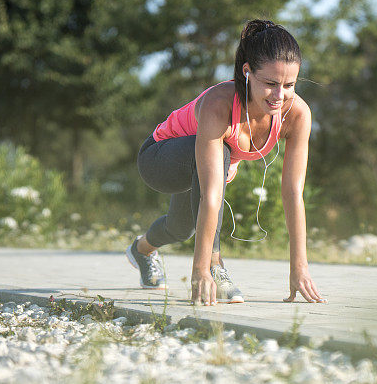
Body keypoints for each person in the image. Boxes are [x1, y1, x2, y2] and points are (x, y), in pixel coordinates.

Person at [126, 19, 326, 306]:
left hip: (202, 164)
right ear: (247, 72)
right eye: (270, 84)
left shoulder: (297, 114)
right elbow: (211, 194)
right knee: (219, 156)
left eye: (289, 85)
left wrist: (300, 269)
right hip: (159, 158)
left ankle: (141, 250)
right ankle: (216, 267)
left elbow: (293, 193)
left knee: (182, 227)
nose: (279, 96)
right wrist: (201, 271)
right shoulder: (219, 104)